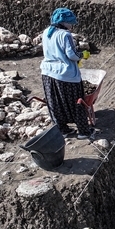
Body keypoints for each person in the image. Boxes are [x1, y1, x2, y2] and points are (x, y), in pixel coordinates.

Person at [40, 7, 92, 139]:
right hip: (66, 75)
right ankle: (83, 132)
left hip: (47, 73)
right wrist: (83, 55)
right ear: (63, 22)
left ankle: (62, 130)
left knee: (55, 103)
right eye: (70, 23)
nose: (71, 26)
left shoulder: (46, 32)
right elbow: (72, 55)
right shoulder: (65, 35)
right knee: (77, 102)